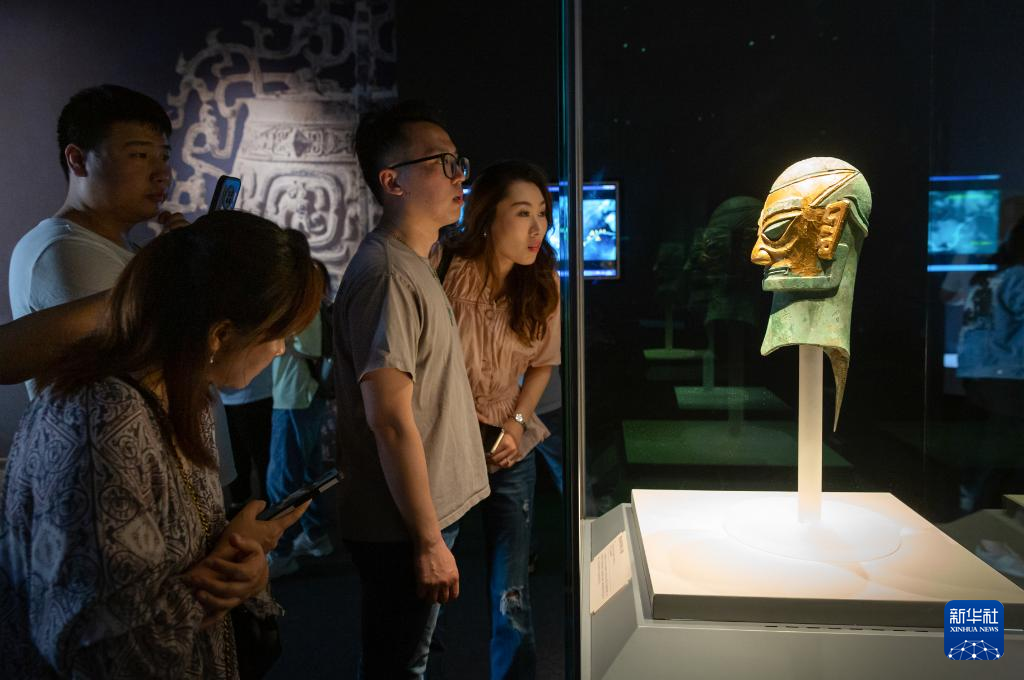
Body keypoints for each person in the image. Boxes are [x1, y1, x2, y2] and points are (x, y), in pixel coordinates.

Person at [0, 211, 321, 678]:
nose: (280, 350)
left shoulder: (183, 397)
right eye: (277, 335)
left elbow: (185, 549)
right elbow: (105, 653)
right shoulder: (103, 420)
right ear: (220, 335)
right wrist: (212, 585)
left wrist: (243, 560)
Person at [334, 101, 489, 678]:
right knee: (400, 664)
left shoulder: (414, 261)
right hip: (402, 525)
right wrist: (427, 541)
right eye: (442, 163)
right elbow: (390, 419)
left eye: (458, 162)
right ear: (392, 182)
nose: (459, 176)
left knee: (407, 654)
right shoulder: (389, 275)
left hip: (417, 516)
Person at [435, 160, 561, 679]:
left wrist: (516, 423)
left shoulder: (543, 281)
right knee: (429, 582)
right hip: (445, 446)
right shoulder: (445, 268)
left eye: (543, 213)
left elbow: (543, 364)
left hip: (508, 445)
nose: (538, 228)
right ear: (488, 216)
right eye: (523, 212)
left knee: (512, 591)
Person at [8, 84, 187, 398]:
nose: (162, 173)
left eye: (164, 156)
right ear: (78, 160)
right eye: (140, 155)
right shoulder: (63, 249)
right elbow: (142, 373)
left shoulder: (122, 248)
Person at [266, 260, 335, 578]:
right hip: (305, 396)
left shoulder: (302, 310)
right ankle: (315, 534)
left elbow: (307, 348)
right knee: (308, 472)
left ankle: (280, 551)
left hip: (296, 397)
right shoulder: (311, 307)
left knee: (283, 478)